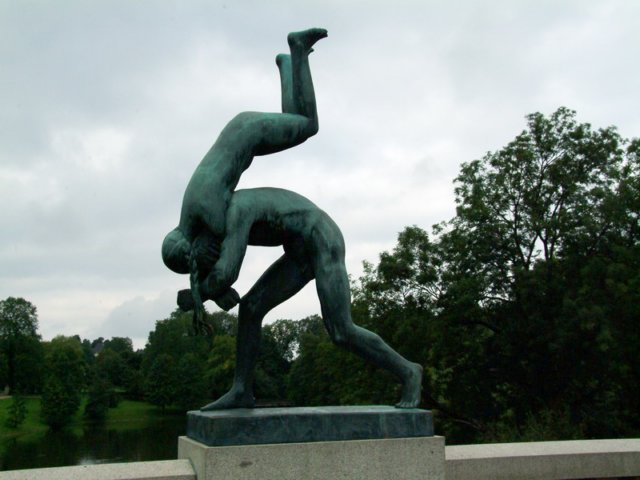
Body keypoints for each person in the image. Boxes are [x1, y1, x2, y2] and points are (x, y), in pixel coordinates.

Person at [192, 187, 424, 410]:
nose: (213, 259)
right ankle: (241, 390)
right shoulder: (218, 224)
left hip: (322, 237)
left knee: (341, 330)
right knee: (250, 308)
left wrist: (201, 294)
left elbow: (226, 273)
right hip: (299, 249)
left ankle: (409, 371)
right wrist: (211, 291)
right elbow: (220, 275)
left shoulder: (235, 211)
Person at [162, 28, 328, 325]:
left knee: (308, 124)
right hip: (244, 129)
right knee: (296, 120)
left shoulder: (211, 216)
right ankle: (288, 64)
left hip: (252, 133)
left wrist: (206, 291)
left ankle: (299, 49)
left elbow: (226, 261)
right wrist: (214, 290)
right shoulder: (192, 208)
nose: (204, 256)